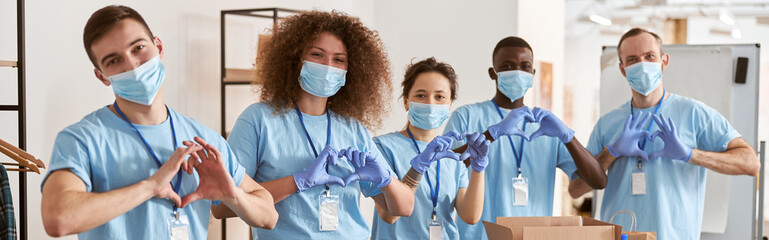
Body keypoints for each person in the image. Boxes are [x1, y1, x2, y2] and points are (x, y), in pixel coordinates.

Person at [40, 5, 278, 239]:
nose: (132, 65)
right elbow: (58, 219)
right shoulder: (81, 139)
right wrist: (150, 187)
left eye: (138, 48)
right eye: (114, 61)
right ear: (102, 76)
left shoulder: (202, 139)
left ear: (159, 47)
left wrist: (232, 194)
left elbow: (268, 216)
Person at [223, 10, 415, 239]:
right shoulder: (258, 120)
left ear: (349, 70)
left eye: (339, 60)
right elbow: (221, 206)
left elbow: (403, 208)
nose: (328, 66)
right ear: (296, 60)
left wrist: (385, 179)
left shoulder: (353, 129)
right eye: (317, 54)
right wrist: (298, 181)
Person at [568, 27, 760, 240]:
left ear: (664, 61)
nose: (642, 65)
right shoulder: (607, 123)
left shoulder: (694, 113)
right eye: (632, 60)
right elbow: (575, 189)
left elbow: (750, 163)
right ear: (622, 70)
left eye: (649, 56)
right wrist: (611, 152)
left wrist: (689, 154)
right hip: (619, 237)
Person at [444, 36, 608, 240]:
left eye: (524, 66)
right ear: (492, 73)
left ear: (533, 74)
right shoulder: (467, 116)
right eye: (508, 66)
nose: (517, 72)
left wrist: (568, 137)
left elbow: (599, 181)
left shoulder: (545, 126)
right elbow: (444, 170)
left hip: (534, 236)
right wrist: (492, 134)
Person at [370, 57, 489, 240]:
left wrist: (478, 168)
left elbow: (470, 216)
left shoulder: (451, 155)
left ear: (449, 105)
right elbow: (389, 215)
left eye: (439, 97)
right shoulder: (382, 147)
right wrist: (417, 168)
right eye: (420, 95)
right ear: (406, 101)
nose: (430, 103)